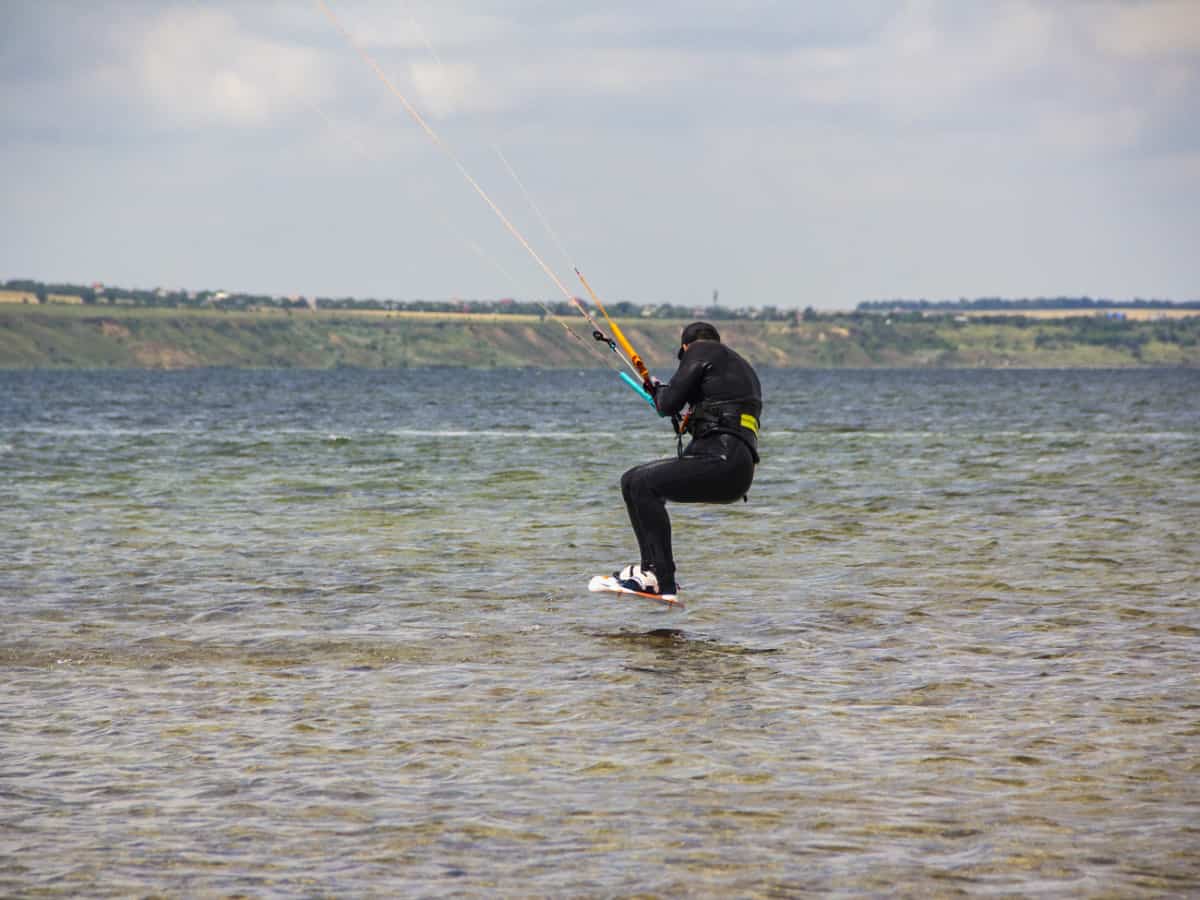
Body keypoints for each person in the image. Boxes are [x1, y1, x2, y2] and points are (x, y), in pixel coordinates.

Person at [614, 322, 762, 600]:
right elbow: (714, 408)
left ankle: (659, 575)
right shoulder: (740, 368)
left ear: (685, 347)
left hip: (721, 460)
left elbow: (667, 405)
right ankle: (655, 576)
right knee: (633, 480)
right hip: (738, 471)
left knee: (641, 483)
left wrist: (658, 391)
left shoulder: (699, 350)